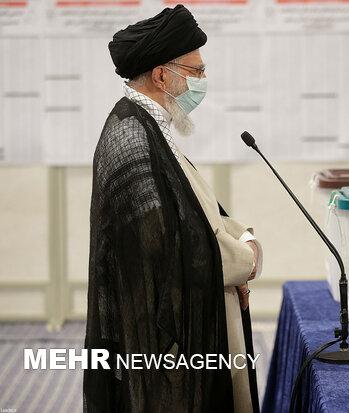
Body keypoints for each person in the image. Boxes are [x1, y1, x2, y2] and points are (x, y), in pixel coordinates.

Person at [83, 5, 261, 412]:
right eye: (195, 72)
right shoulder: (131, 137)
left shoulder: (147, 125)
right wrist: (244, 260)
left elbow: (194, 210)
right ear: (163, 75)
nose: (202, 82)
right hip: (166, 346)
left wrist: (243, 240)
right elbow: (162, 247)